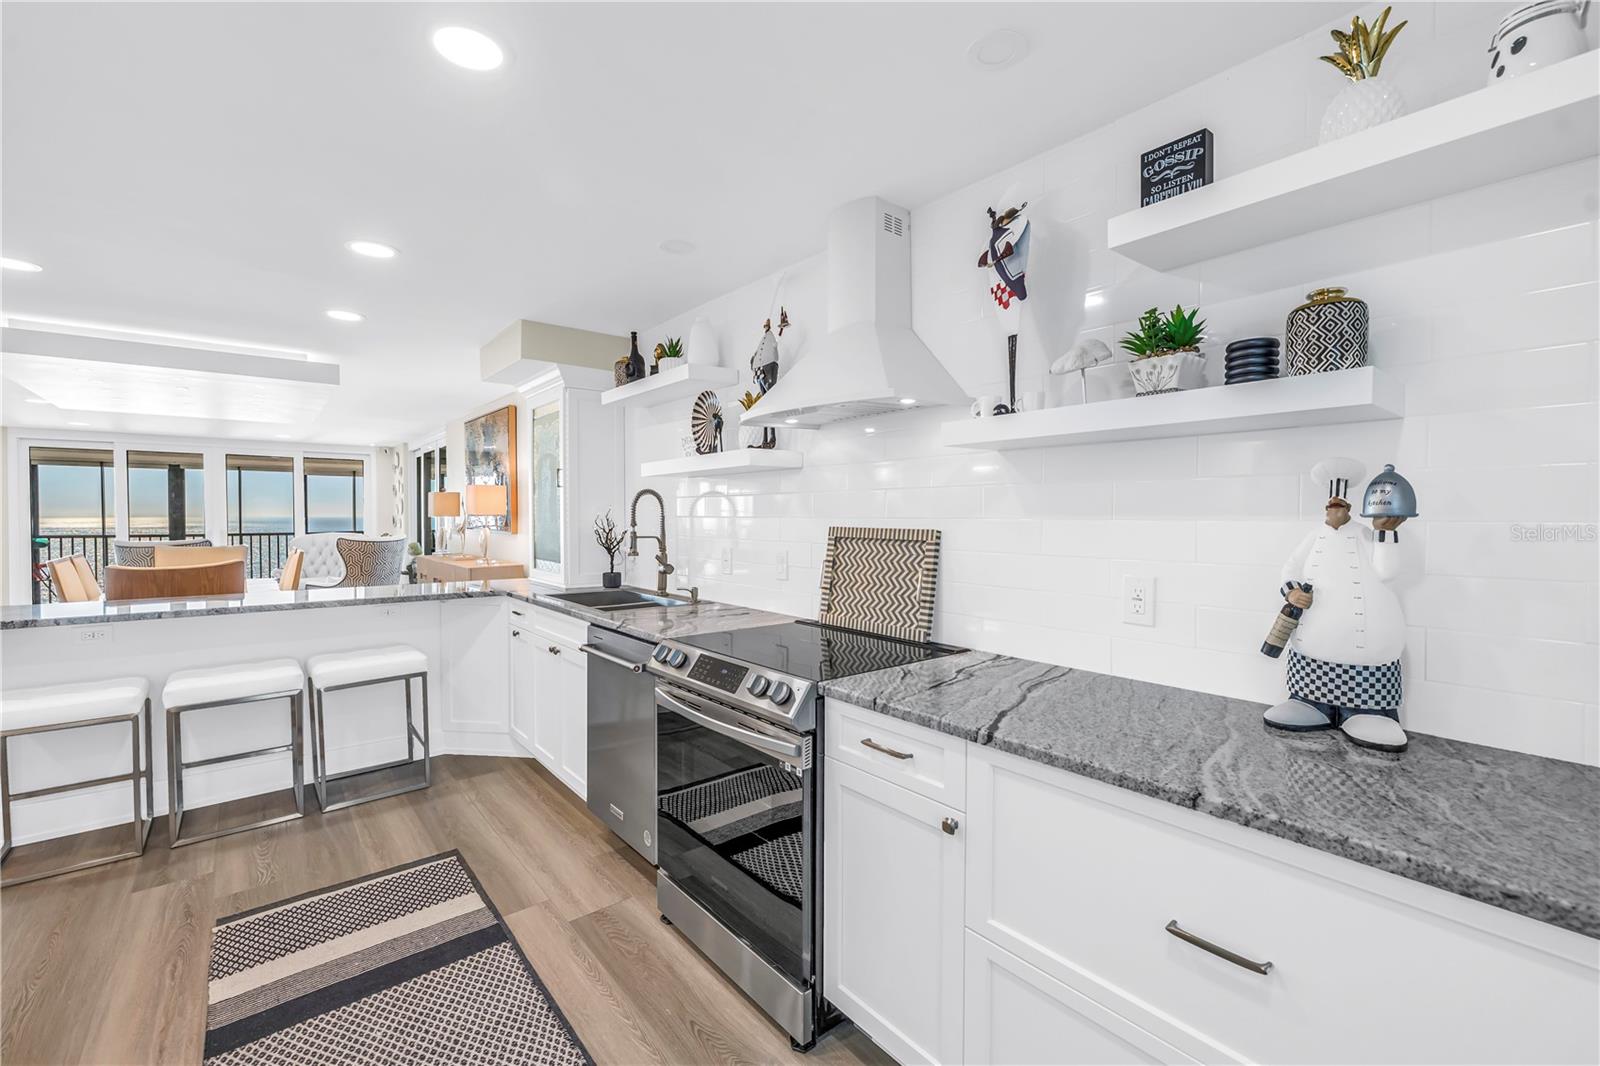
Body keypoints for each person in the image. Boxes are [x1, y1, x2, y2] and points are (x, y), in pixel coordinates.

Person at [1262, 458, 1410, 752]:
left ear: (1349, 509)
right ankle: (1311, 703)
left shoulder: (1366, 535)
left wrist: (1385, 532)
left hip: (1365, 655)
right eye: (1331, 508)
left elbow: (1387, 571)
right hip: (1312, 652)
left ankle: (1368, 712)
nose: (1335, 512)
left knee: (1367, 683)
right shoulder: (1312, 537)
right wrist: (1292, 593)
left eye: (1340, 507)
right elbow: (1289, 569)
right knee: (1311, 676)